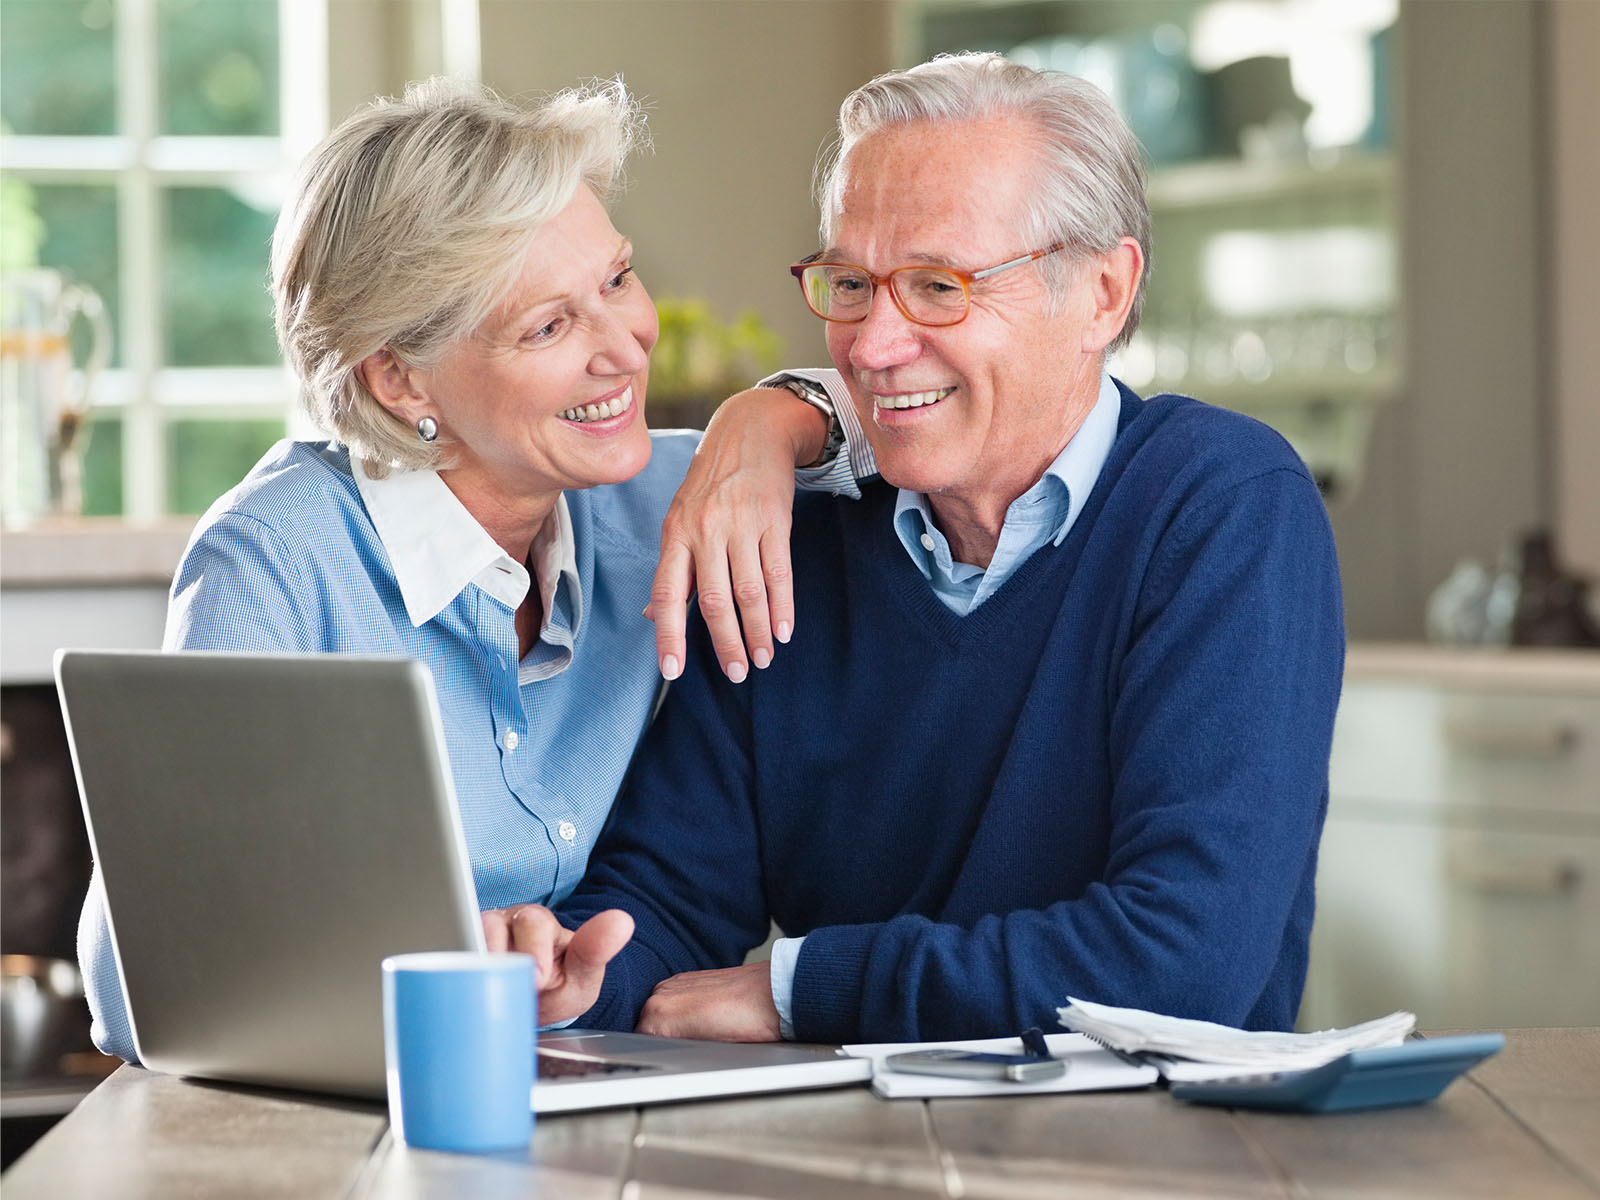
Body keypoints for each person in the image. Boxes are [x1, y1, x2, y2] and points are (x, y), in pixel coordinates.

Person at [503, 53, 1346, 1043]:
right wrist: (572, 972)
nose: (868, 343)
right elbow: (672, 890)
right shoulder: (799, 533)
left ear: (1103, 295)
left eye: (939, 286)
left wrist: (800, 989)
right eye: (851, 282)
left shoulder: (1220, 505)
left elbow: (1181, 960)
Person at [77, 76, 877, 1062]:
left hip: (563, 1076)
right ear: (401, 378)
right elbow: (136, 986)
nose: (624, 347)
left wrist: (769, 419)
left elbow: (929, 413)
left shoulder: (667, 492)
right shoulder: (281, 559)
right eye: (548, 326)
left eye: (618, 280)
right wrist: (441, 956)